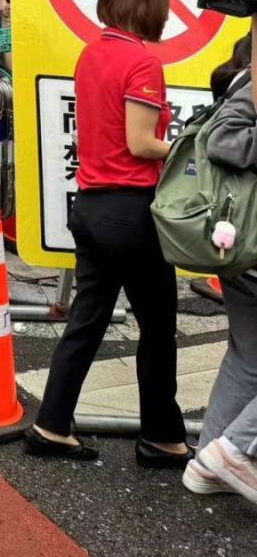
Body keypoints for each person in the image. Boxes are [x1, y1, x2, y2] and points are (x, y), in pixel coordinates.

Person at [25, 0, 189, 466]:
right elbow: (141, 143)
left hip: (92, 205)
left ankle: (51, 425)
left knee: (87, 321)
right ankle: (162, 437)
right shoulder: (143, 64)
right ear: (149, 7)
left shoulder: (92, 53)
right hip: (131, 212)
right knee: (158, 327)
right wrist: (185, 146)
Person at [184, 31, 257, 503]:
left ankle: (207, 461)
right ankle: (234, 449)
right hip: (250, 245)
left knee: (247, 357)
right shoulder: (250, 87)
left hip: (241, 246)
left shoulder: (241, 82)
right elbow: (227, 141)